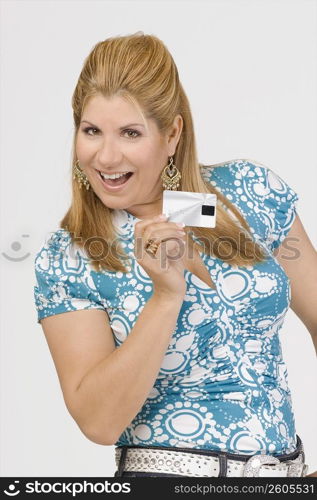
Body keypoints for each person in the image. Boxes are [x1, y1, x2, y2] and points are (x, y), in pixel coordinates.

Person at [33, 32, 317, 478]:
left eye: (130, 133)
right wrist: (165, 297)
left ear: (172, 134)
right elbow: (98, 421)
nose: (106, 156)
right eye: (91, 131)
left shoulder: (248, 193)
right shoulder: (71, 255)